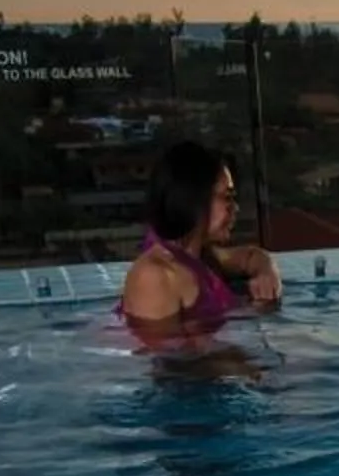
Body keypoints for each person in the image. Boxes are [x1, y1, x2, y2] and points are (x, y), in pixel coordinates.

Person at [121, 142, 283, 337]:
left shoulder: (200, 256)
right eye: (227, 197)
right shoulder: (155, 276)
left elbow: (252, 256)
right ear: (196, 200)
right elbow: (167, 360)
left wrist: (267, 274)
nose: (235, 208)